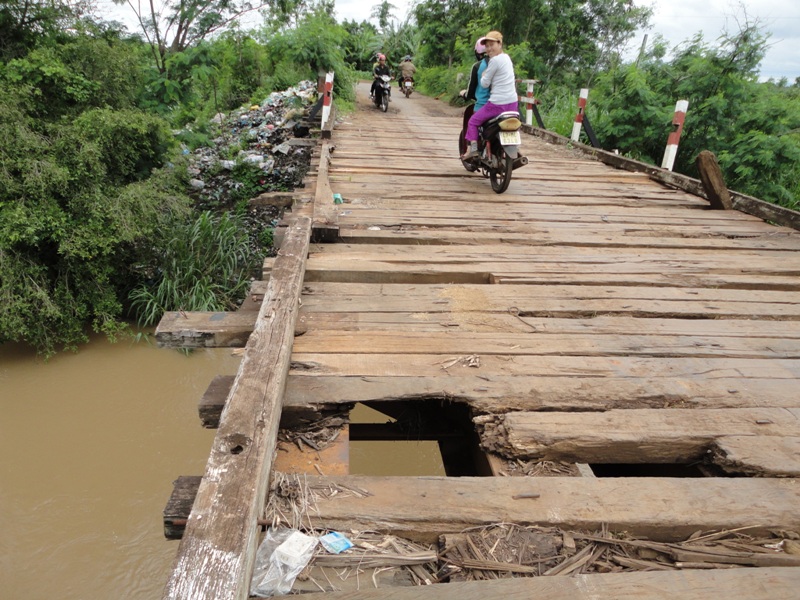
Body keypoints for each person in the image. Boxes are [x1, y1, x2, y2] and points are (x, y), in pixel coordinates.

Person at [460, 31, 518, 160]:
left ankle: (473, 149)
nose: (489, 48)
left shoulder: (494, 61)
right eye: (487, 46)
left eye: (492, 44)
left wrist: (485, 75)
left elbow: (484, 84)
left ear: (500, 43)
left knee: (473, 121)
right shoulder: (507, 58)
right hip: (513, 104)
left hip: (497, 104)